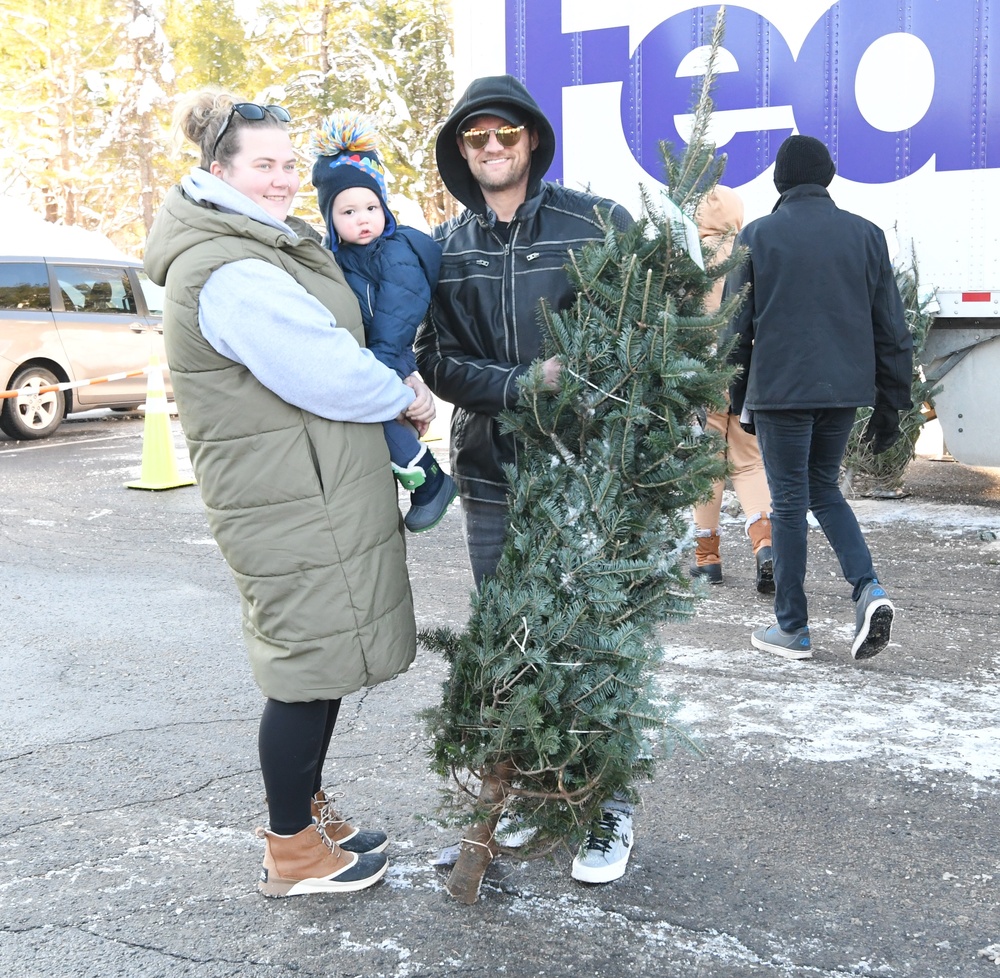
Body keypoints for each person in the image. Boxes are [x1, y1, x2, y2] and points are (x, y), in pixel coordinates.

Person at [144, 90, 435, 897]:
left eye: (285, 164)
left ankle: (303, 813)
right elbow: (322, 368)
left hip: (309, 488)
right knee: (305, 668)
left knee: (322, 657)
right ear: (218, 171)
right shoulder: (230, 266)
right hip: (290, 498)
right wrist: (400, 397)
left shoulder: (255, 243)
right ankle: (292, 848)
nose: (278, 180)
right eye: (261, 165)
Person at [414, 74, 637, 884]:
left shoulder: (594, 224)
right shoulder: (443, 248)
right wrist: (517, 385)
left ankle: (609, 809)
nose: (494, 148)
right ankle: (520, 799)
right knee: (510, 644)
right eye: (477, 138)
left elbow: (635, 330)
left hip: (583, 470)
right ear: (461, 151)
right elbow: (433, 358)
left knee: (589, 644)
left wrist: (581, 397)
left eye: (506, 133)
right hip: (492, 472)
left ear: (532, 139)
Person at [723, 134, 913, 662]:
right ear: (827, 177)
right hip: (843, 391)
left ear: (781, 182)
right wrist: (891, 409)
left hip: (781, 391)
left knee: (787, 503)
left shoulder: (758, 237)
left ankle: (792, 628)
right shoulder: (867, 236)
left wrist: (743, 401)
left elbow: (735, 334)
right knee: (823, 490)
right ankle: (868, 588)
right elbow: (892, 333)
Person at [311, 112, 457, 532]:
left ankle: (428, 479)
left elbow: (399, 312)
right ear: (330, 219)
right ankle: (418, 474)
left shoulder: (395, 251)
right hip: (374, 355)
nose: (363, 218)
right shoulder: (336, 259)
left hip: (384, 352)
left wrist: (388, 366)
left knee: (376, 416)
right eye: (349, 211)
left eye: (372, 207)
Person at [690, 186, 774, 593]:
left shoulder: (691, 257)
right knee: (750, 461)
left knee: (707, 463)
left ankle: (708, 560)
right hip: (745, 371)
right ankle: (765, 545)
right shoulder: (748, 252)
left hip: (701, 372)